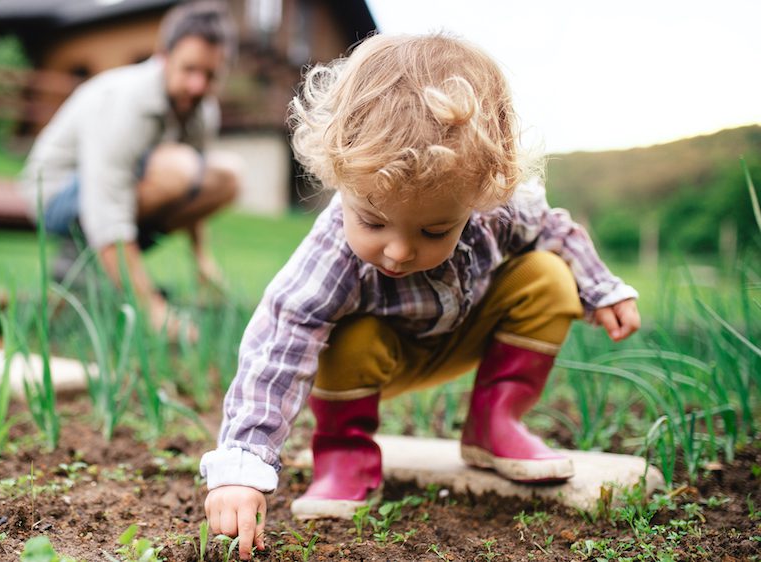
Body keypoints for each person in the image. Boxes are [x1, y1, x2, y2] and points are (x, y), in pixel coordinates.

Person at [199, 33, 641, 560]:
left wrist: (601, 288)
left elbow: (556, 230)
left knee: (548, 274)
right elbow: (278, 341)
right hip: (374, 362)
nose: (399, 250)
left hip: (464, 332)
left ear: (479, 196)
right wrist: (243, 465)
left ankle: (495, 423)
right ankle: (344, 453)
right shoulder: (332, 252)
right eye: (373, 220)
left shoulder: (495, 208)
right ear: (341, 179)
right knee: (340, 332)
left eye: (434, 230)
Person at [19, 1, 240, 338]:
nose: (198, 86)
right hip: (56, 195)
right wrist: (152, 308)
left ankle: (98, 269)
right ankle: (83, 263)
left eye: (210, 75)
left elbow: (196, 187)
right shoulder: (126, 101)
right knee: (178, 167)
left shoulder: (202, 109)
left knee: (225, 178)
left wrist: (202, 260)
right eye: (189, 69)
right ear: (163, 57)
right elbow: (106, 205)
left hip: (118, 191)